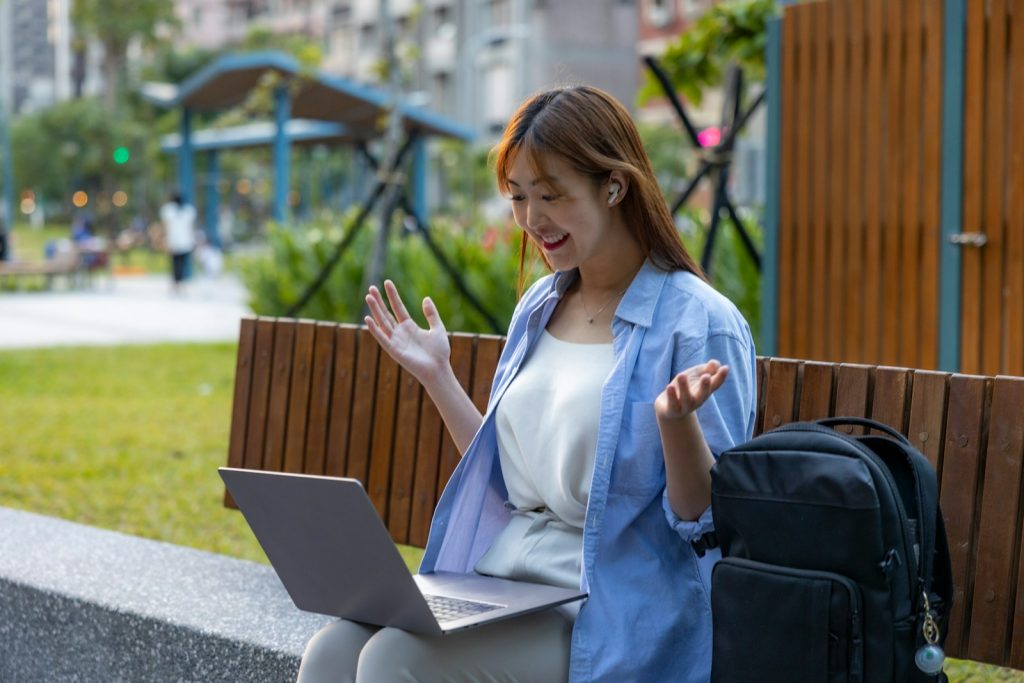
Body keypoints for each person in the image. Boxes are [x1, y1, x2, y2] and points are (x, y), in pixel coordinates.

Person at [297, 86, 757, 683]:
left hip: (609, 607)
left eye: (550, 195)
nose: (532, 220)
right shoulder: (542, 304)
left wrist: (675, 423)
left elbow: (708, 527)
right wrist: (437, 375)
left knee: (395, 660)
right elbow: (508, 480)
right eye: (517, 196)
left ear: (614, 187)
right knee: (331, 651)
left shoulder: (700, 323)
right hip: (506, 586)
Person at [159, 192, 197, 293]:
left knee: (174, 263)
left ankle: (176, 283)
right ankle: (179, 283)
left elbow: (166, 226)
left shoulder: (168, 210)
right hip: (185, 241)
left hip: (174, 241)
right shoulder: (189, 211)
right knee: (182, 263)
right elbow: (191, 227)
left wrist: (164, 239)